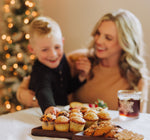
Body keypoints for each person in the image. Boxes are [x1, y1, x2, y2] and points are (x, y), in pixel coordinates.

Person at [16, 9, 149, 113]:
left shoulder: (137, 80)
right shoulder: (78, 60)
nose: (98, 41)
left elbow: (134, 123)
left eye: (108, 38)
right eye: (98, 33)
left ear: (125, 43)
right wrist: (27, 97)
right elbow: (35, 81)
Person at [23, 16, 91, 114]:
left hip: (61, 112)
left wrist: (81, 77)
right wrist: (49, 107)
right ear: (32, 49)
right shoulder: (40, 71)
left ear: (62, 42)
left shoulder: (62, 60)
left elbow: (66, 88)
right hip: (42, 113)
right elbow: (43, 89)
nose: (53, 54)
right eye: (45, 50)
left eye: (57, 47)